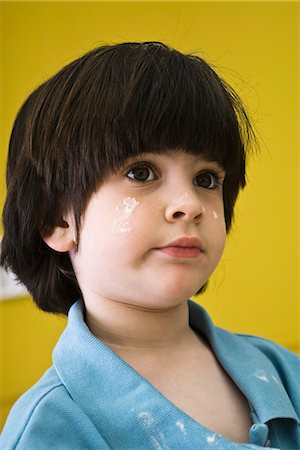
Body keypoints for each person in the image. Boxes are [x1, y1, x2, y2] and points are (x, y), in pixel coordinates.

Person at [0, 41, 299, 450]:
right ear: (56, 219)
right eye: (142, 172)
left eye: (206, 180)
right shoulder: (51, 428)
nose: (189, 205)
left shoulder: (284, 372)